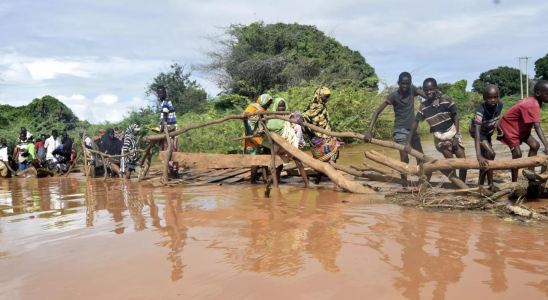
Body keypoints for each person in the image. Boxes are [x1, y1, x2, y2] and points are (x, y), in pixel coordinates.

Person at [364, 72, 432, 187]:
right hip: (400, 131)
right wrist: (369, 131)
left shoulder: (412, 90)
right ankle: (405, 185)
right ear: (398, 83)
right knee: (404, 159)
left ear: (410, 83)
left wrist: (437, 97)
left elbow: (427, 96)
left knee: (420, 157)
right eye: (403, 83)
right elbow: (377, 111)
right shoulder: (393, 95)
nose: (405, 86)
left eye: (407, 83)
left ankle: (421, 183)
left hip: (412, 131)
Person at [405, 78, 467, 182]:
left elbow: (455, 117)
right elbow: (415, 123)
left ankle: (463, 186)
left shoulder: (446, 100)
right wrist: (408, 142)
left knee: (463, 162)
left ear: (436, 89)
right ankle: (457, 185)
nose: (428, 92)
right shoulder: (424, 106)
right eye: (426, 90)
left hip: (453, 133)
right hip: (441, 138)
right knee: (451, 163)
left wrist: (456, 136)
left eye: (431, 89)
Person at [498, 80, 548, 182]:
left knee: (535, 145)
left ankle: (529, 176)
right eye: (547, 94)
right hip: (509, 128)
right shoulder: (532, 104)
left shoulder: (536, 101)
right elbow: (537, 127)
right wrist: (547, 146)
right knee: (517, 154)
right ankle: (514, 182)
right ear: (538, 93)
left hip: (520, 128)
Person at [262, 98, 310, 186]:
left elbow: (297, 123)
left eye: (283, 105)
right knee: (280, 165)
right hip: (278, 145)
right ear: (276, 106)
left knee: (298, 162)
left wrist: (299, 120)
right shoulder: (271, 119)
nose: (281, 108)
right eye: (279, 106)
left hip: (288, 144)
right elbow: (268, 130)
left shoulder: (290, 117)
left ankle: (307, 183)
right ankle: (276, 184)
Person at [302, 87, 339, 184]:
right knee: (321, 163)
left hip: (328, 138)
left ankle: (331, 181)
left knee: (332, 160)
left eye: (328, 97)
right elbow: (304, 120)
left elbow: (326, 123)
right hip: (317, 140)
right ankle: (331, 181)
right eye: (326, 97)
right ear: (320, 96)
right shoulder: (310, 108)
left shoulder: (324, 107)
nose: (327, 99)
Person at [469, 85, 503, 186]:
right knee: (491, 153)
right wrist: (478, 155)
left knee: (487, 158)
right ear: (484, 98)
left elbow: (497, 117)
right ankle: (491, 184)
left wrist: (499, 129)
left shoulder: (499, 104)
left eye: (495, 97)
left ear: (498, 97)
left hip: (488, 132)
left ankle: (481, 184)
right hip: (477, 132)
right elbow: (477, 133)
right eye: (489, 97)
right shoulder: (480, 111)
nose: (493, 100)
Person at [243, 93, 273, 184]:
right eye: (267, 103)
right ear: (263, 101)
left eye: (269, 104)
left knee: (264, 157)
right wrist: (250, 115)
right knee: (255, 159)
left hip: (262, 136)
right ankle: (253, 180)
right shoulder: (253, 107)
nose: (267, 106)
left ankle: (265, 178)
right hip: (252, 137)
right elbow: (246, 116)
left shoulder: (263, 110)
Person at [157, 85, 179, 178]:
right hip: (171, 129)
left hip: (169, 130)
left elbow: (165, 118)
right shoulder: (165, 101)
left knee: (167, 150)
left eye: (162, 92)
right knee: (172, 150)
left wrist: (160, 131)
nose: (160, 94)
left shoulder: (165, 102)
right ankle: (173, 171)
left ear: (165, 93)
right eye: (159, 93)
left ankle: (171, 171)